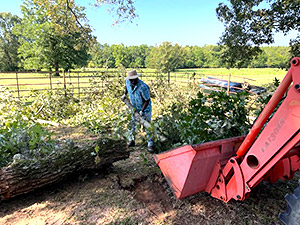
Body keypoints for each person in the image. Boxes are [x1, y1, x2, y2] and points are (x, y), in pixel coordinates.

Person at [121, 70, 154, 152]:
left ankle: (150, 144)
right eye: (130, 80)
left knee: (147, 125)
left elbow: (147, 100)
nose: (132, 81)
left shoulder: (143, 87)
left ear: (136, 78)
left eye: (133, 80)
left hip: (145, 109)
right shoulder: (128, 82)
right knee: (132, 124)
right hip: (134, 107)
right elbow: (126, 87)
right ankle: (131, 140)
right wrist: (125, 94)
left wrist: (142, 111)